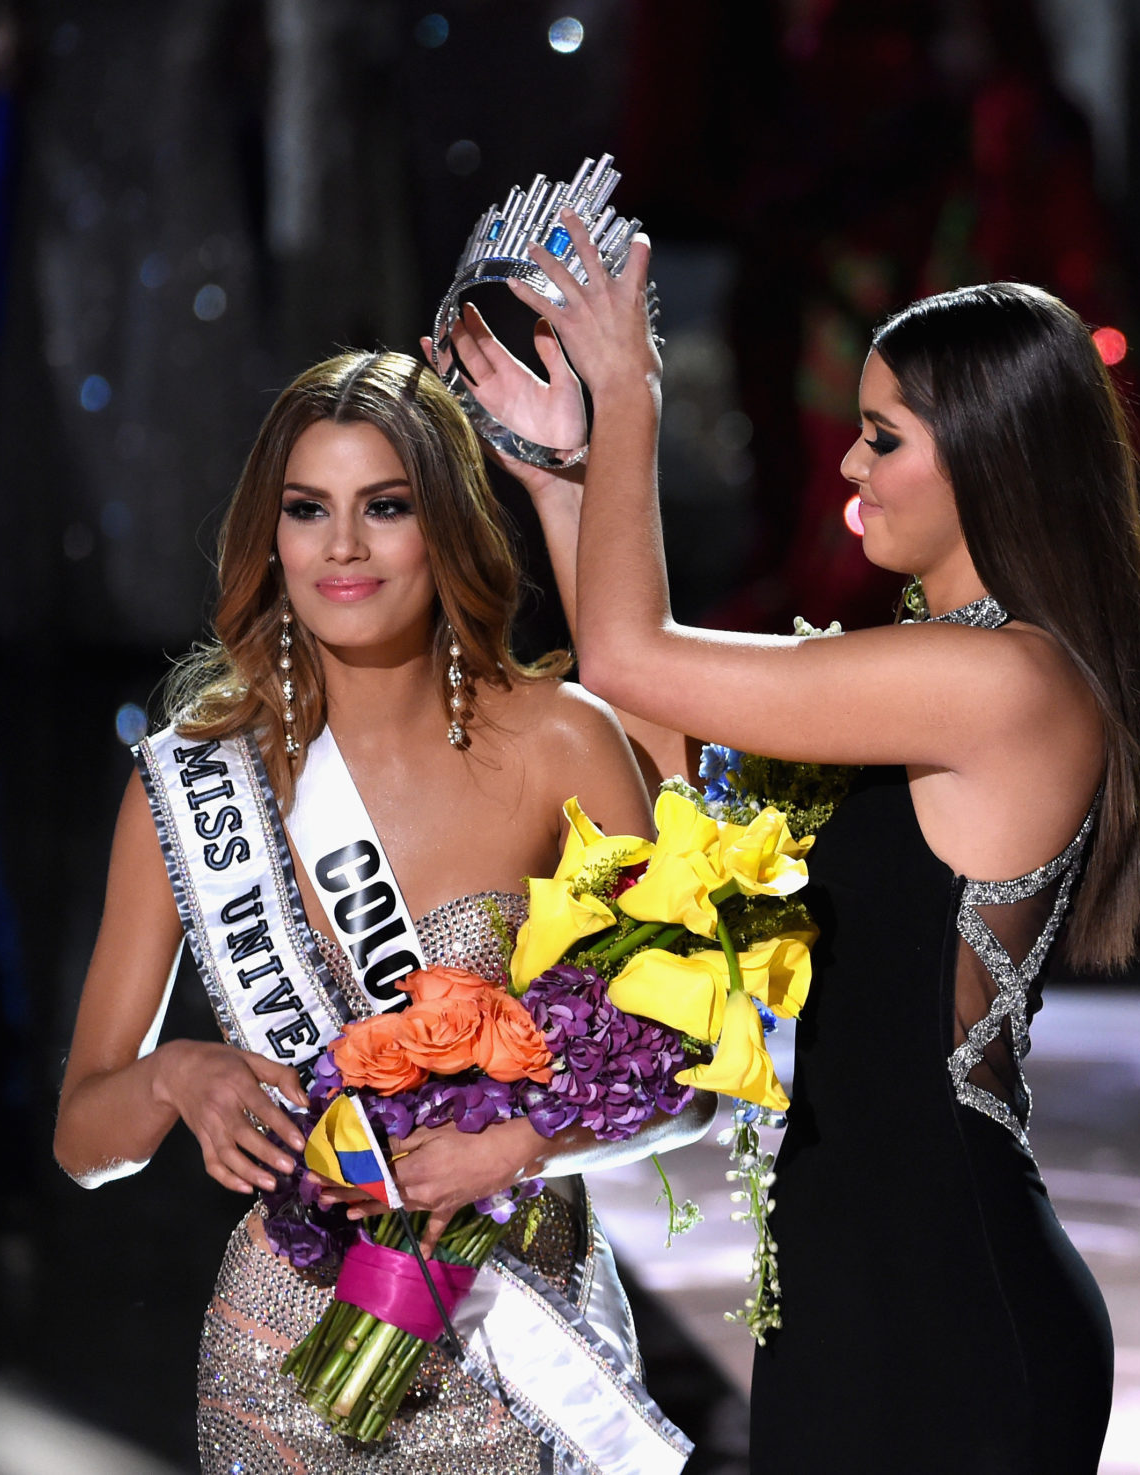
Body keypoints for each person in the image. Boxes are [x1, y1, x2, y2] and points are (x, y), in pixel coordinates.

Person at [481, 223, 1140, 1473]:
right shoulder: (933, 672)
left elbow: (638, 658)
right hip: (850, 1278)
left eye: (883, 435)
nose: (846, 461)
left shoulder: (1002, 678)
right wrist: (562, 480)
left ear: (989, 454)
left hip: (948, 1299)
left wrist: (633, 390)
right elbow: (664, 744)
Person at [53, 350, 703, 1472]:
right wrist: (175, 1078)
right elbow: (81, 1138)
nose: (341, 547)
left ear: (443, 526)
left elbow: (688, 1067)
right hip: (284, 1354)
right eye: (307, 510)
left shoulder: (562, 739)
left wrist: (513, 1144)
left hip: (514, 1338)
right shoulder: (193, 778)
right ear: (271, 538)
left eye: (384, 508)